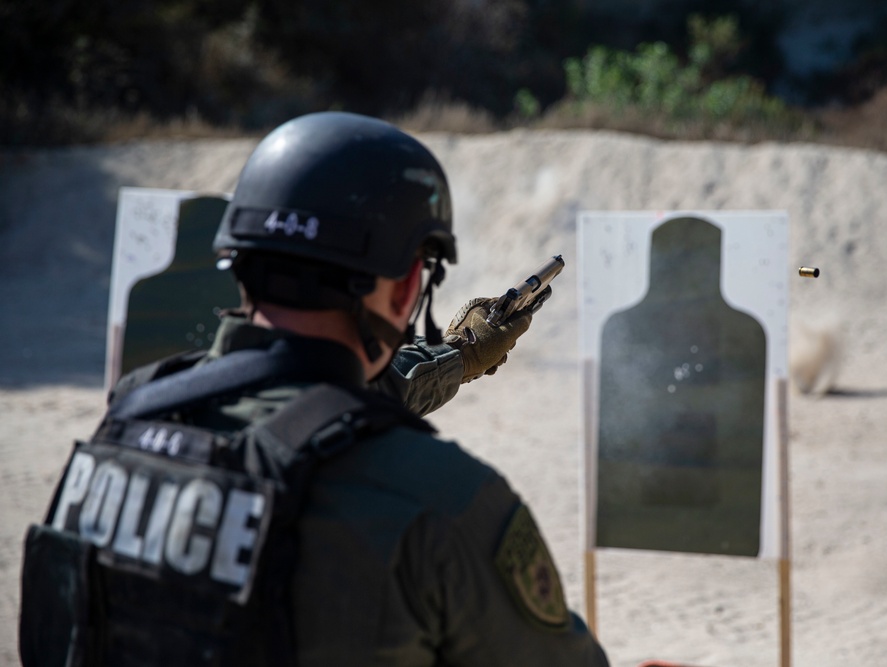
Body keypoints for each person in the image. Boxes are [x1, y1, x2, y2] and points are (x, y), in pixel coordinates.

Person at [20, 111, 608, 666]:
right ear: (406, 290)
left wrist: (456, 355)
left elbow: (310, 411)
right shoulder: (443, 500)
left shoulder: (129, 421)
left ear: (237, 259)